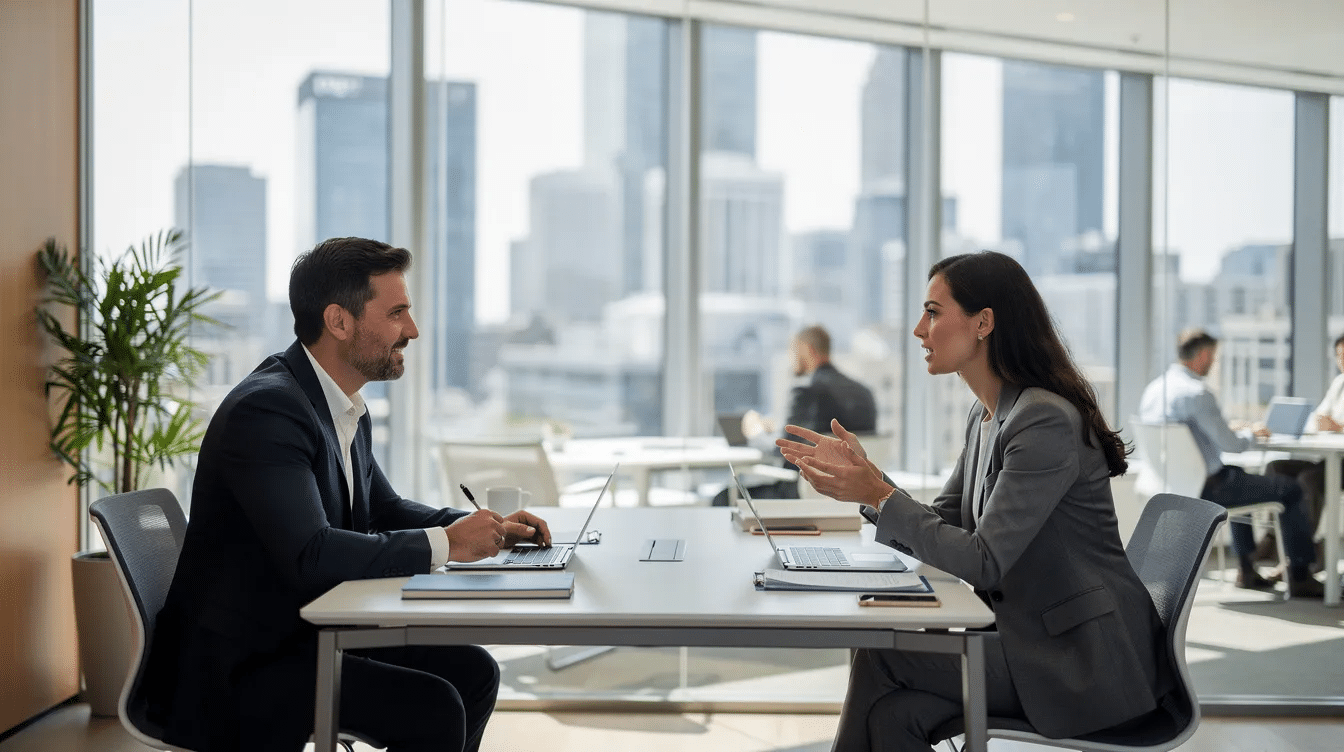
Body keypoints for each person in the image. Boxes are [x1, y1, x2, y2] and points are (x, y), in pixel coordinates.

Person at [141, 237, 553, 752]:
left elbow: (381, 509)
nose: (413, 330)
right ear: (339, 321)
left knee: (473, 671)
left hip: (299, 632)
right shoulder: (268, 411)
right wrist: (447, 543)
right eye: (397, 312)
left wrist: (488, 529)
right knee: (433, 708)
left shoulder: (339, 405)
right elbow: (312, 554)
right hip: (241, 666)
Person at [779, 251, 1176, 752]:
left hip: (1082, 662)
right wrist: (870, 481)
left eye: (933, 312)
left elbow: (985, 561)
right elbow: (946, 518)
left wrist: (878, 493)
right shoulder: (987, 415)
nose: (919, 330)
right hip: (1034, 642)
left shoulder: (1042, 421)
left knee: (882, 655)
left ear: (984, 322)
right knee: (894, 717)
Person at [1139, 329, 1322, 597]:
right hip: (1208, 488)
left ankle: (1247, 570)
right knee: (1291, 489)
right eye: (1213, 357)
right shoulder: (1197, 393)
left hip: (1173, 483)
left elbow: (1193, 435)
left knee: (1239, 476)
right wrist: (1251, 433)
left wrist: (1227, 429)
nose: (1213, 363)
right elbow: (1231, 445)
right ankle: (1301, 575)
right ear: (1202, 356)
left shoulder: (1156, 388)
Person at [714, 325, 877, 504]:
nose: (791, 358)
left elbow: (784, 448)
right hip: (851, 498)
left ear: (807, 350)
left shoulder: (806, 391)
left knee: (722, 499)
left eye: (793, 351)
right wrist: (778, 428)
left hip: (803, 493)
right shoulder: (864, 394)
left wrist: (755, 431)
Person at [1263, 333, 1344, 564]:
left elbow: (1333, 423)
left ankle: (1301, 560)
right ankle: (1274, 543)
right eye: (1339, 356)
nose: (1343, 361)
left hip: (1342, 463)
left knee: (1310, 479)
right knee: (1277, 467)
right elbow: (1320, 416)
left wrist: (1337, 426)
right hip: (1329, 459)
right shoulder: (1339, 383)